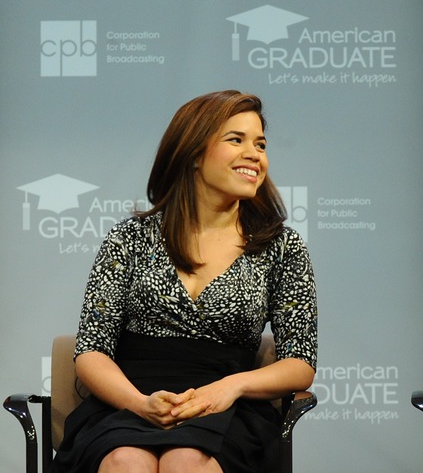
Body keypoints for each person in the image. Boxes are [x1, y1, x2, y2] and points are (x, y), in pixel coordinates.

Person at [52, 90, 318, 473]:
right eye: (236, 140)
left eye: (260, 144)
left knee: (186, 462)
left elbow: (300, 363)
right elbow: (92, 351)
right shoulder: (131, 238)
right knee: (125, 461)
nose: (255, 155)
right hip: (130, 400)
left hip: (228, 408)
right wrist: (139, 403)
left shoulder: (281, 246)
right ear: (194, 152)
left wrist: (232, 387)